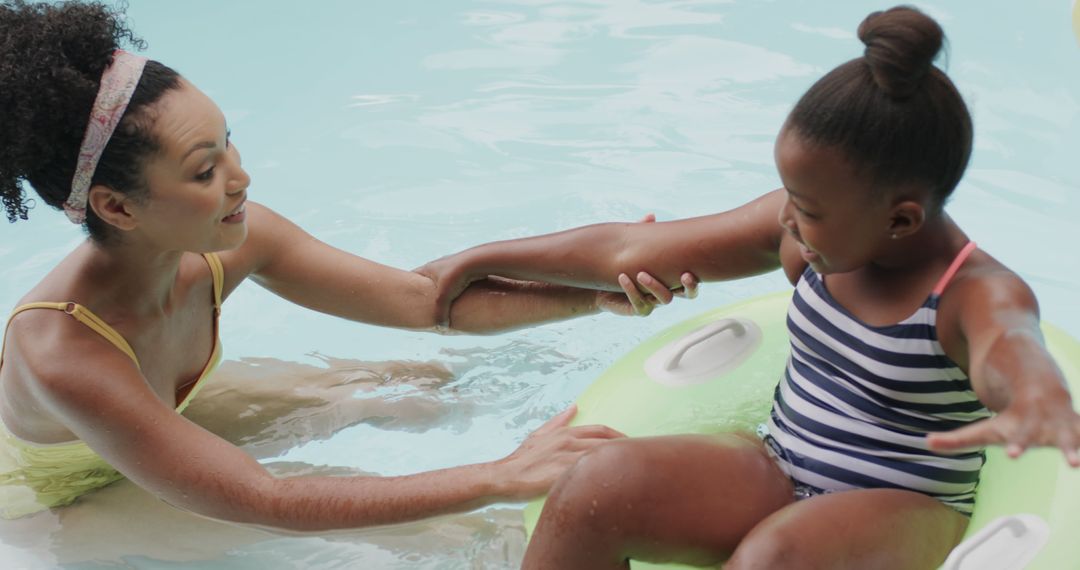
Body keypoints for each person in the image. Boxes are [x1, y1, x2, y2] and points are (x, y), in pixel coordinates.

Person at [422, 6, 1080, 569]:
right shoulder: (804, 233)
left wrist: (1038, 394)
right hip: (780, 460)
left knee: (773, 558)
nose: (787, 218)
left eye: (809, 208)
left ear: (900, 217)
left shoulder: (971, 292)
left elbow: (1011, 347)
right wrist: (489, 256)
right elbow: (628, 249)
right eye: (790, 197)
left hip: (907, 506)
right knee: (596, 485)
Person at [0, 1, 700, 526]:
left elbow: (427, 301)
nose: (241, 179)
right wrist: (500, 475)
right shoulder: (64, 355)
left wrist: (589, 293)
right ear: (117, 208)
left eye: (230, 144)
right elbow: (263, 498)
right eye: (205, 170)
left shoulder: (234, 237)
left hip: (159, 412)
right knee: (452, 541)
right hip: (53, 497)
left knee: (417, 385)